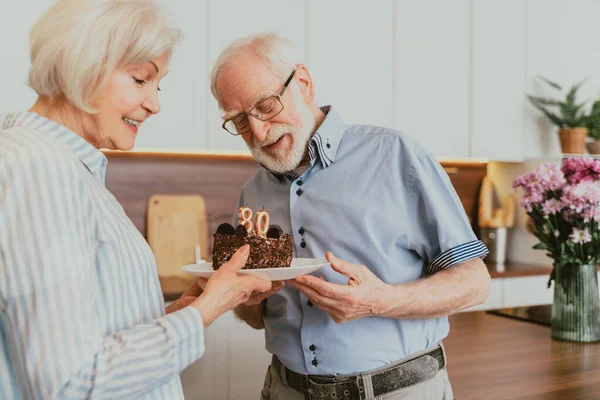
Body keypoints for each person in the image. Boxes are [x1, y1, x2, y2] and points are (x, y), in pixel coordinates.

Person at [0, 2, 281, 399]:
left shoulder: (68, 169)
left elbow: (94, 336)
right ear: (80, 64)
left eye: (158, 84)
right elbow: (69, 384)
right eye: (140, 79)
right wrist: (207, 310)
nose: (155, 103)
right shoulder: (37, 168)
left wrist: (190, 308)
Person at [209, 33, 492, 399]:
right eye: (240, 121)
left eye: (266, 106)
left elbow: (475, 282)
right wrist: (245, 299)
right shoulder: (253, 191)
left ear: (304, 84)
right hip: (284, 389)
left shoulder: (396, 156)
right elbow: (255, 315)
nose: (259, 131)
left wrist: (380, 300)